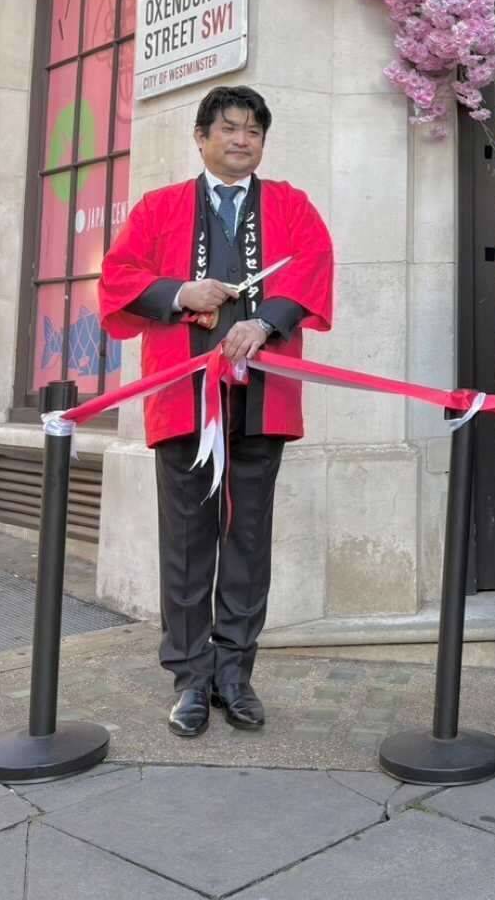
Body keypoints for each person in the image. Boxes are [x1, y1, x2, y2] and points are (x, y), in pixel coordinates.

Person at [100, 86, 333, 738]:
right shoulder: (161, 207)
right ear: (200, 137)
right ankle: (190, 677)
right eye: (228, 128)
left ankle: (236, 671)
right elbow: (118, 277)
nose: (241, 140)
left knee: (249, 537)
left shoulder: (290, 205)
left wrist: (264, 323)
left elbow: (312, 267)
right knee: (186, 542)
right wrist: (180, 292)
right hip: (183, 395)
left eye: (253, 131)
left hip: (263, 394)